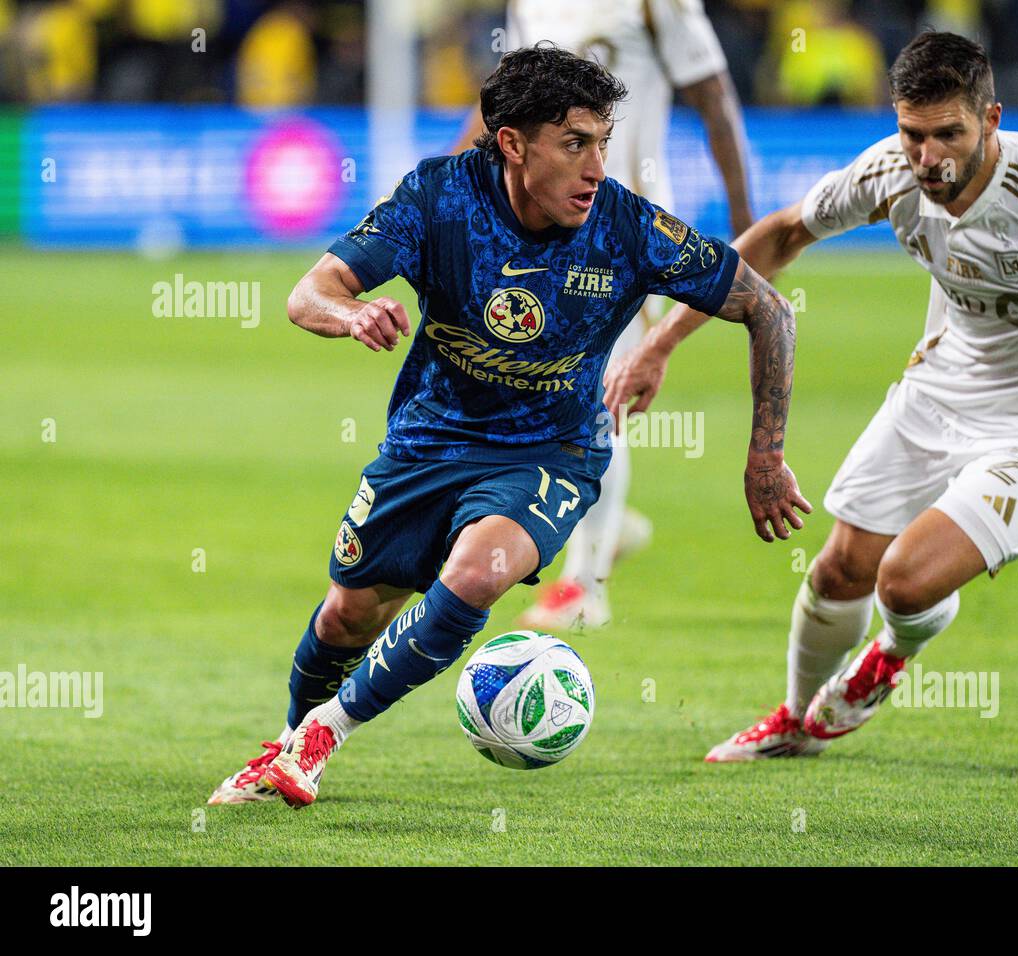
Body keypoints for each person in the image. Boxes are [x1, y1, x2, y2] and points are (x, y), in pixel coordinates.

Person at [603, 31, 1018, 762]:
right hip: (940, 389)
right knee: (835, 572)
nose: (930, 158)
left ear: (992, 119)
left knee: (905, 582)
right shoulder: (890, 173)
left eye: (949, 133)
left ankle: (891, 653)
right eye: (913, 135)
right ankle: (795, 720)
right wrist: (660, 340)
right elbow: (784, 235)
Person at [207, 44, 808, 807]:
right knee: (350, 612)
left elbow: (768, 308)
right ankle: (289, 748)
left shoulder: (627, 226)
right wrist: (352, 312)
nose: (596, 166)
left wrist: (765, 456)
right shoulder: (437, 199)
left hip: (552, 451)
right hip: (430, 441)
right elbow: (308, 293)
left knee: (480, 573)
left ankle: (324, 736)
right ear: (514, 144)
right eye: (575, 144)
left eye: (601, 142)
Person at [458, 0, 755, 631]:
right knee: (531, 390)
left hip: (624, 230)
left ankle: (584, 588)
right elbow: (503, 113)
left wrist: (747, 225)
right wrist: (446, 183)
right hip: (540, 231)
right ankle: (604, 519)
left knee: (600, 398)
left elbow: (715, 98)